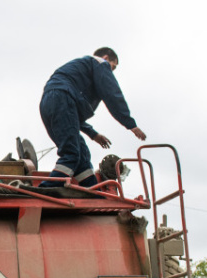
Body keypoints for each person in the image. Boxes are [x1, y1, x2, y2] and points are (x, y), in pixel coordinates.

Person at [38, 47, 146, 188]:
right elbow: (111, 93)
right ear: (107, 58)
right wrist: (130, 123)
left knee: (81, 152)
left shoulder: (81, 71)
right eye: (113, 67)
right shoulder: (100, 63)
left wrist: (93, 134)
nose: (111, 72)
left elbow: (71, 113)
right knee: (71, 153)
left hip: (51, 103)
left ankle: (90, 189)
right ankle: (48, 188)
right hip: (62, 99)